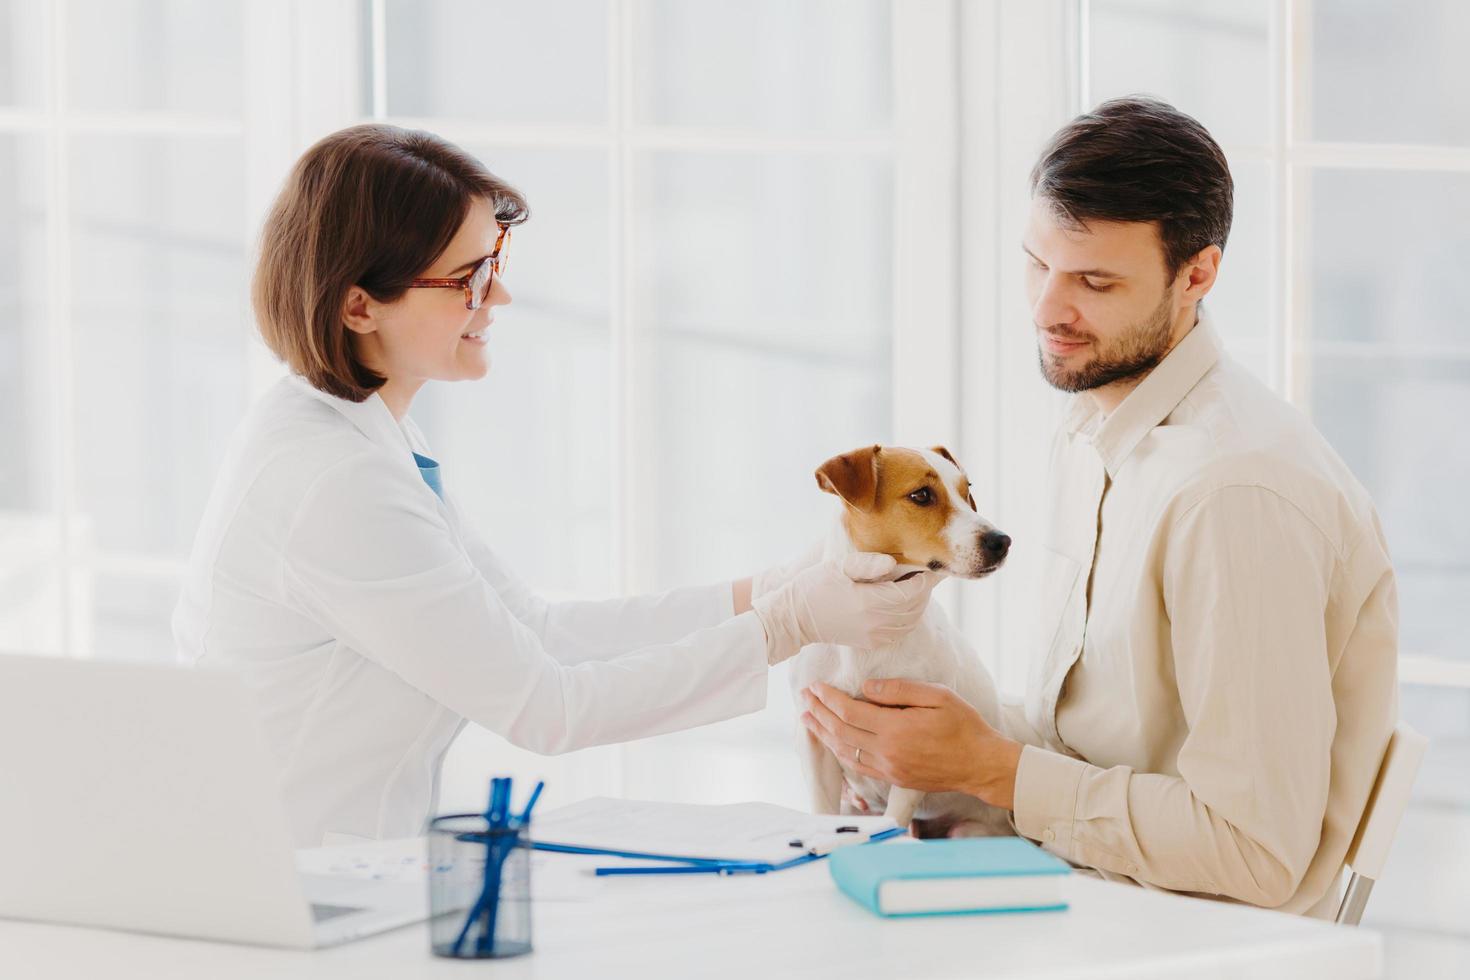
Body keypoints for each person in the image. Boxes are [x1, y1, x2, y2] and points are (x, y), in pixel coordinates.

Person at [173, 123, 936, 848]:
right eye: (469, 276)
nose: (498, 297)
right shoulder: (336, 483)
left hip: (341, 870)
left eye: (494, 263)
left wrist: (768, 591)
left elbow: (538, 630)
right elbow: (546, 707)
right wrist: (783, 627)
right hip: (298, 885)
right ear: (358, 304)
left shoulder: (368, 435)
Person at [801, 97, 1398, 919]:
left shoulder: (1234, 496)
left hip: (1197, 938)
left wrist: (992, 770)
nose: (1047, 310)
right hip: (1077, 888)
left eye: (1094, 280)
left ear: (1197, 276)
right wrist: (931, 729)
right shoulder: (1099, 430)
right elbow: (1099, 746)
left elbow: (1257, 855)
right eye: (1037, 264)